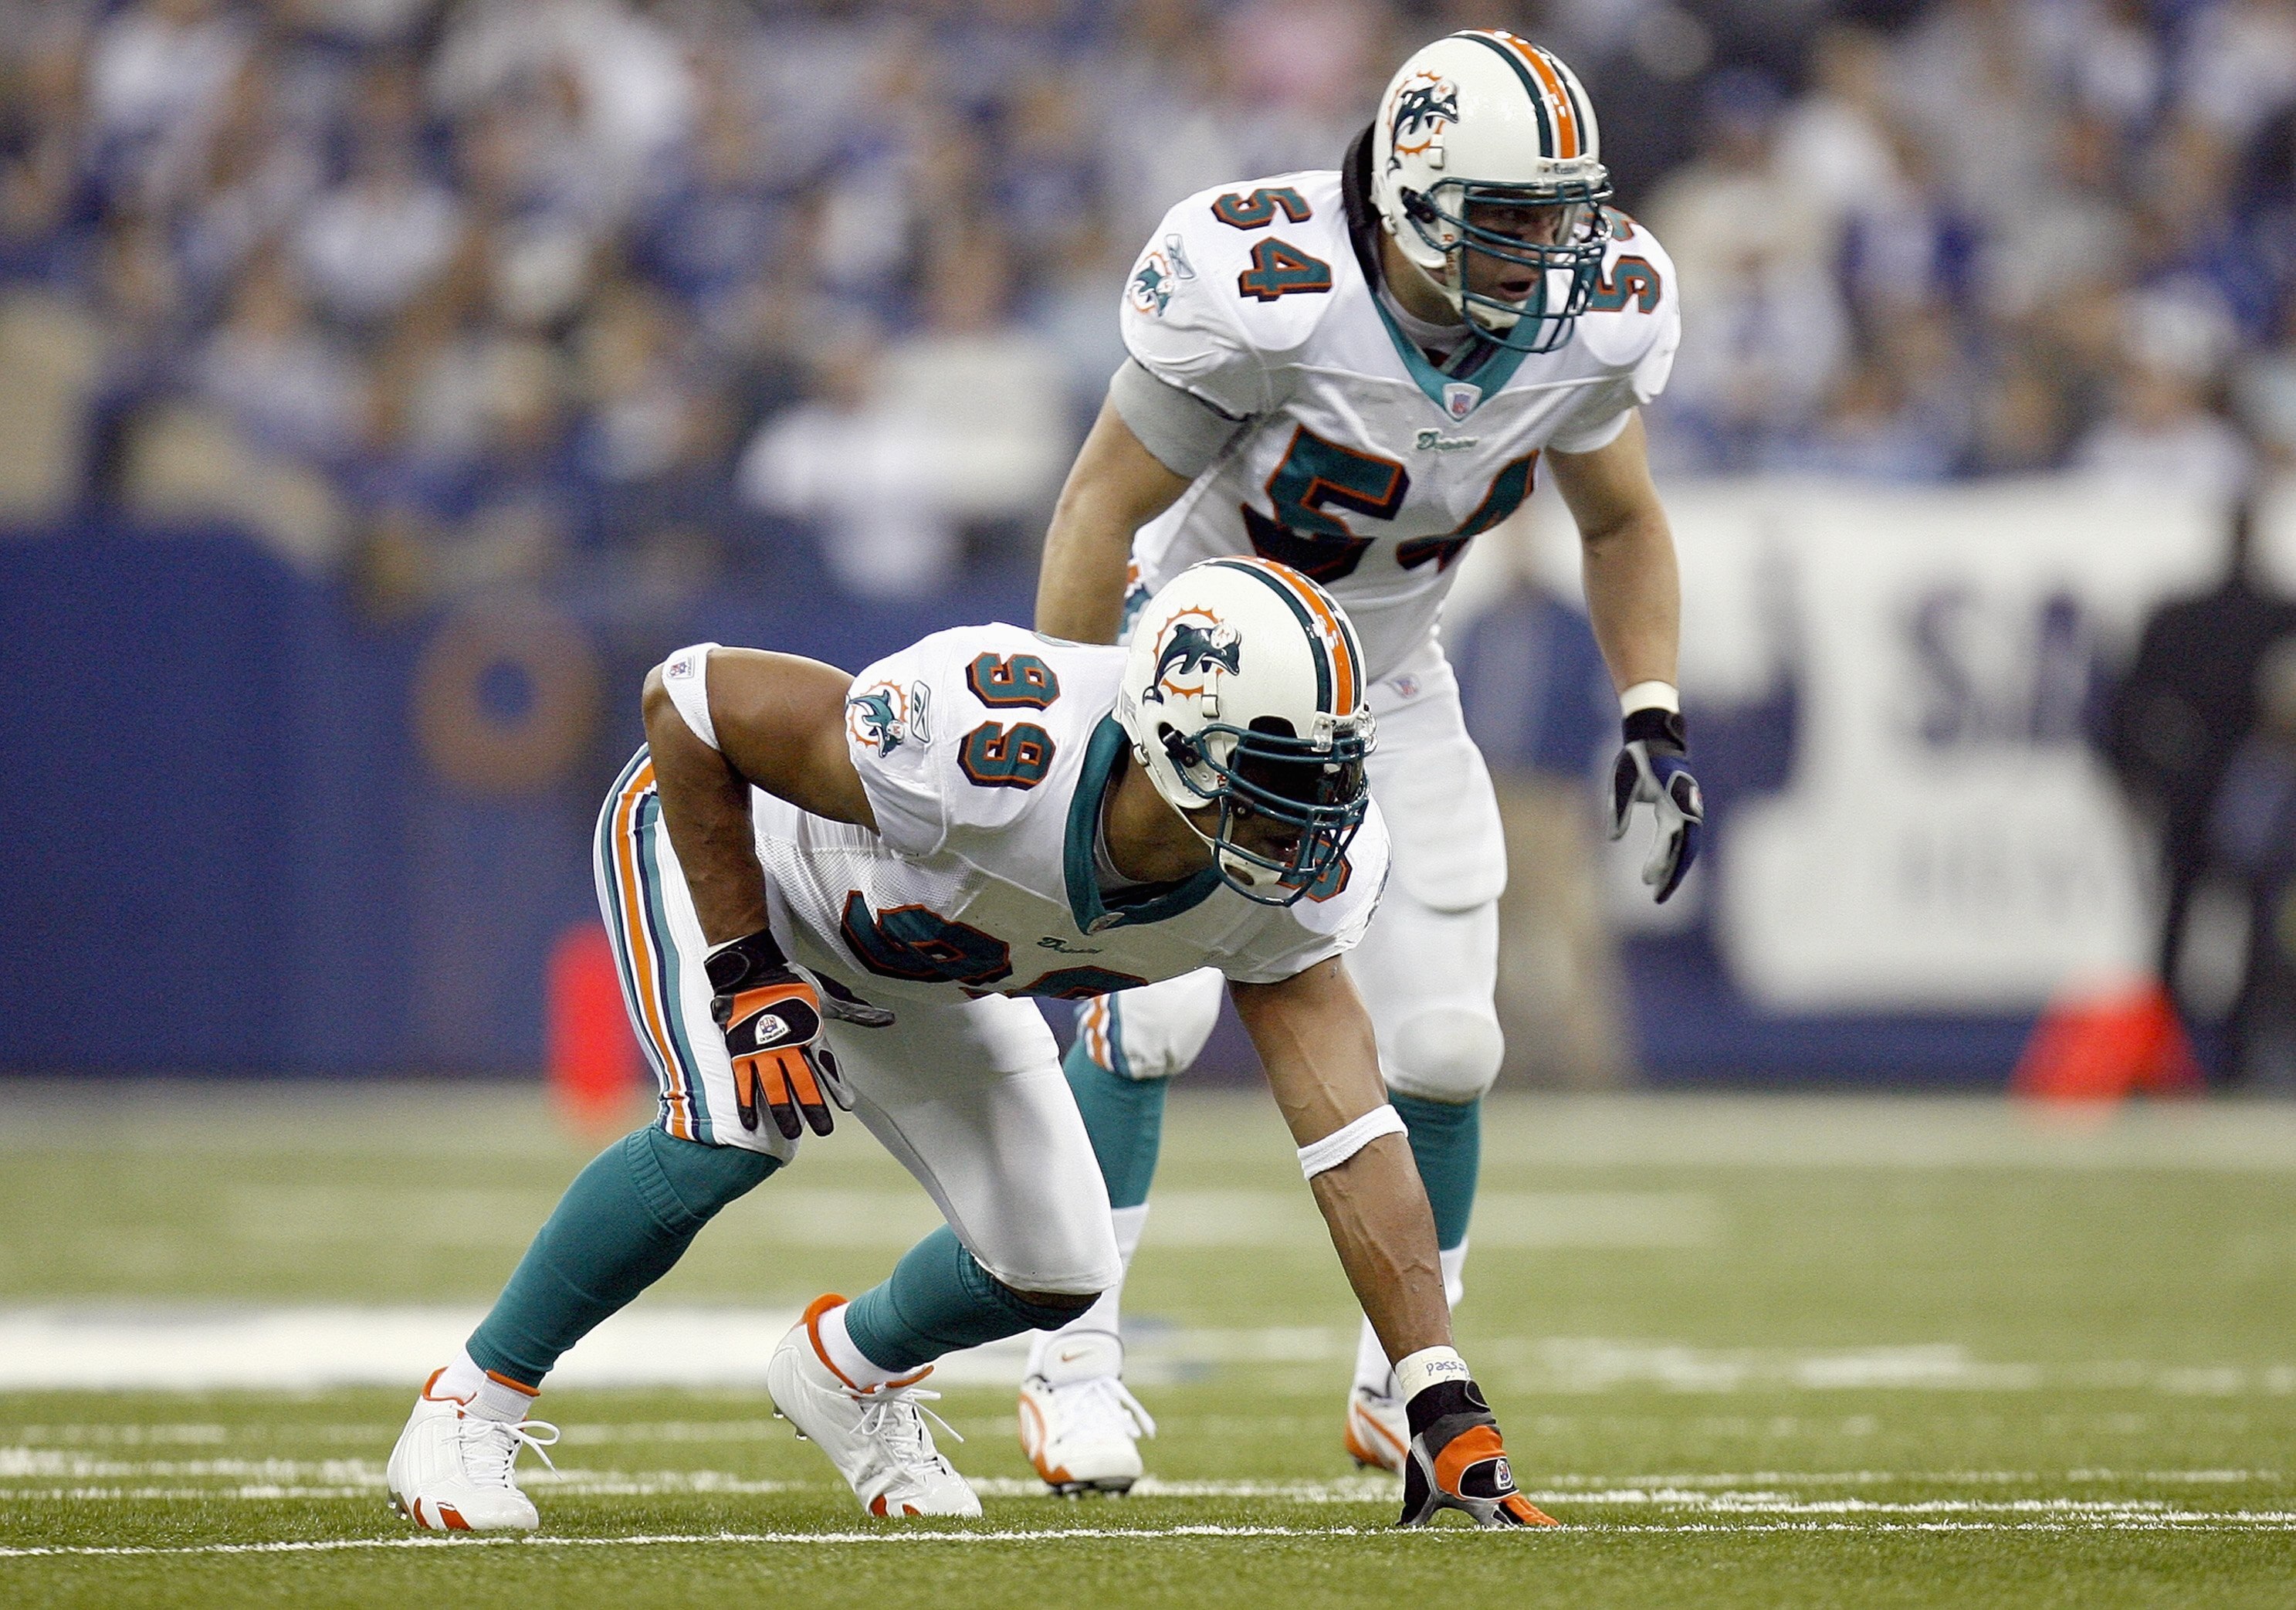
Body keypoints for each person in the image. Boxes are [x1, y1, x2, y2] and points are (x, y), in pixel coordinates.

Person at [384, 557, 1555, 1530]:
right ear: (1172, 741)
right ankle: (465, 1408)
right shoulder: (992, 738)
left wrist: (1434, 1389)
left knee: (1056, 1265)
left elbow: (1350, 1135)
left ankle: (848, 1370)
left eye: (1325, 781)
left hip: (923, 961)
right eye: (1273, 781)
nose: (1308, 824)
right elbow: (691, 702)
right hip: (752, 874)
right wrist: (747, 971)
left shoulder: (1282, 887)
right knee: (734, 1129)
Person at [1022, 29, 1701, 1491]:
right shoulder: (1270, 288)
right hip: (1194, 665)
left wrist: (1649, 704)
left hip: (1386, 678)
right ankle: (1073, 1355)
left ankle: (1405, 1382)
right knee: (1144, 1020)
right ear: (1409, 193)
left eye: (1559, 218)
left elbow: (1621, 521)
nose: (1542, 254)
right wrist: (1090, 720)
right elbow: (1094, 510)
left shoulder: (1592, 317)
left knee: (1452, 1043)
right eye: (1507, 219)